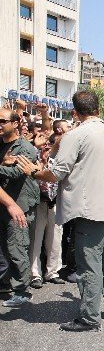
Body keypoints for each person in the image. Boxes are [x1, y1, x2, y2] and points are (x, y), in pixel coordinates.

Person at [17, 90, 104, 331]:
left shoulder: (76, 135)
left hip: (90, 210)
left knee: (89, 264)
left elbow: (56, 173)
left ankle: (90, 318)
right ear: (98, 109)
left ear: (76, 112)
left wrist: (33, 171)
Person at [0, 107, 40, 307]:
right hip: (3, 204)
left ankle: (22, 291)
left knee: (17, 248)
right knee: (4, 250)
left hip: (20, 206)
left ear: (15, 124)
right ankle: (5, 284)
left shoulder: (26, 148)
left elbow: (16, 173)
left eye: (2, 121)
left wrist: (6, 165)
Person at [29, 133, 64, 289]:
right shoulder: (33, 161)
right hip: (38, 204)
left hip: (56, 204)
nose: (46, 149)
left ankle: (53, 272)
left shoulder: (57, 162)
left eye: (49, 146)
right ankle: (34, 274)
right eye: (44, 147)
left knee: (55, 239)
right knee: (36, 240)